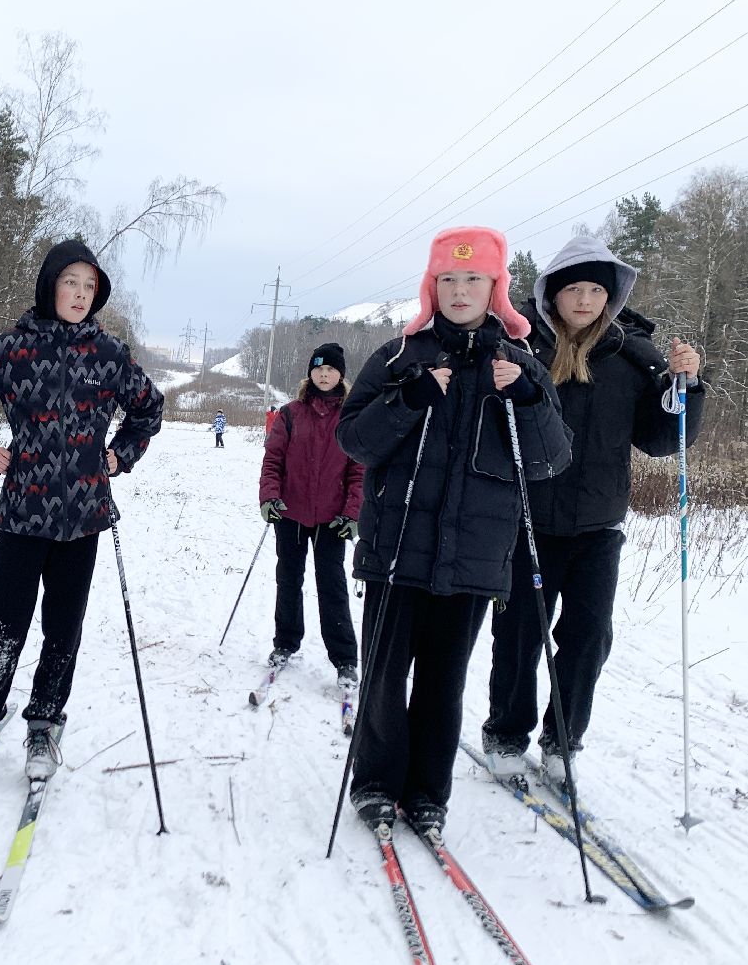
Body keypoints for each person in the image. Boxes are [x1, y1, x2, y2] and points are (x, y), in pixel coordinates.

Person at [336, 226, 571, 836]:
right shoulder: (399, 356)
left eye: (474, 279)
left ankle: (427, 792)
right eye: (449, 279)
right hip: (394, 553)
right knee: (385, 680)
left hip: (473, 560)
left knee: (445, 682)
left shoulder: (519, 366)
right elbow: (353, 440)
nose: (461, 290)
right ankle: (375, 783)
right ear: (431, 286)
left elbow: (552, 460)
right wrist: (406, 401)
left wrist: (527, 400)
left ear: (496, 288)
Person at [483, 236, 704, 786]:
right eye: (573, 290)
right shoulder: (522, 349)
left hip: (598, 526)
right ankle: (506, 733)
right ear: (552, 297)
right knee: (518, 636)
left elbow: (662, 440)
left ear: (610, 297)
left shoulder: (636, 357)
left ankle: (563, 740)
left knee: (588, 639)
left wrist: (688, 384)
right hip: (527, 523)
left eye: (595, 290)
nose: (584, 300)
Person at [0, 239, 164, 779]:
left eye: (90, 286)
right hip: (23, 512)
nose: (80, 294)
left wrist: (120, 456)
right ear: (50, 286)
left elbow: (149, 409)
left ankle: (44, 725)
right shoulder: (13, 348)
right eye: (71, 282)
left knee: (63, 627)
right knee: (2, 620)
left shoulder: (110, 356)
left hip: (85, 517)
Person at [259, 343, 363, 706]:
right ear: (310, 373)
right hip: (289, 514)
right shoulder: (290, 414)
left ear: (340, 374)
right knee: (288, 579)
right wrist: (269, 497)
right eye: (318, 369)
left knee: (331, 586)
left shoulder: (351, 416)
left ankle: (345, 659)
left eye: (331, 369)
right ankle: (285, 642)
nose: (324, 374)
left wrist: (352, 514)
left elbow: (359, 470)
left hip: (331, 521)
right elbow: (272, 460)